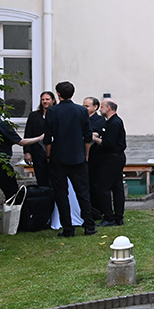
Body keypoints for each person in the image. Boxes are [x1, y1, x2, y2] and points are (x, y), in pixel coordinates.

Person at [44, 81, 96, 237]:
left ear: (58, 95)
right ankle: (89, 226)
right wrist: (85, 154)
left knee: (61, 194)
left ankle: (68, 228)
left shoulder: (52, 112)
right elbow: (88, 136)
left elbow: (48, 138)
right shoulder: (81, 111)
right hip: (78, 156)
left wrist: (48, 155)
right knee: (83, 193)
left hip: (58, 157)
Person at [0, 99, 44, 200]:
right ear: (3, 109)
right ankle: (14, 214)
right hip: (2, 164)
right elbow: (21, 142)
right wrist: (40, 138)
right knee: (13, 193)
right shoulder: (3, 125)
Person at [92, 100, 126, 226]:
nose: (100, 110)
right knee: (117, 187)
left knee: (103, 187)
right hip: (117, 158)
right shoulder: (112, 122)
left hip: (112, 158)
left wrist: (94, 139)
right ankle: (118, 216)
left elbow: (108, 144)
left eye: (101, 107)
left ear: (109, 108)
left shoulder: (114, 123)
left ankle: (109, 217)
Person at [23, 91, 55, 186]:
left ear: (53, 100)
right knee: (41, 178)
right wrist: (27, 152)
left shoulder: (57, 114)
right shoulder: (34, 116)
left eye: (47, 99)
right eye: (43, 99)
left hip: (54, 151)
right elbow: (28, 133)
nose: (45, 101)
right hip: (38, 151)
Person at [84, 96, 106, 224]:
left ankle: (97, 210)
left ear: (95, 107)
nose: (84, 108)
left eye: (87, 106)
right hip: (83, 156)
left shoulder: (99, 120)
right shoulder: (82, 119)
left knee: (95, 183)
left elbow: (94, 135)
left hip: (95, 157)